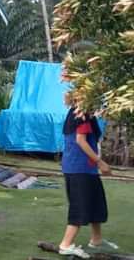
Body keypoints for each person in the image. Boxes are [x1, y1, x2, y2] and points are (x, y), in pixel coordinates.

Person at [58, 108, 118, 259]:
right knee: (80, 206)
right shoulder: (81, 114)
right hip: (78, 168)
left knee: (96, 203)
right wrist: (100, 163)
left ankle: (96, 240)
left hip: (87, 169)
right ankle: (65, 245)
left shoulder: (85, 114)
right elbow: (80, 140)